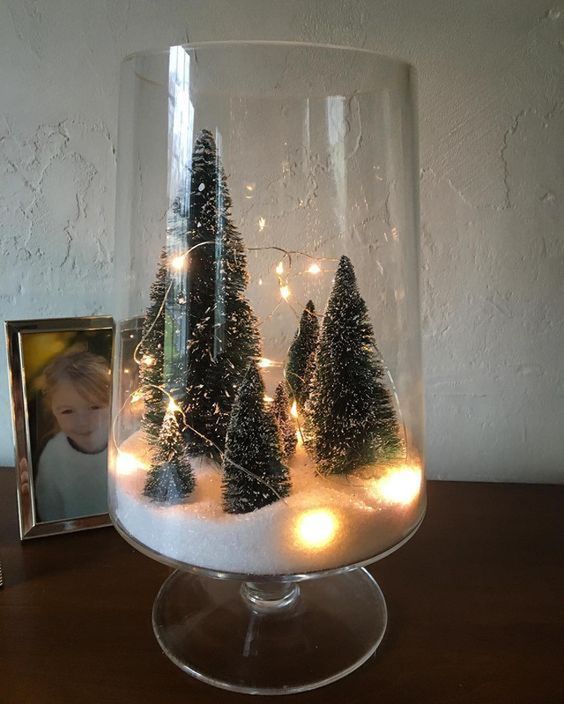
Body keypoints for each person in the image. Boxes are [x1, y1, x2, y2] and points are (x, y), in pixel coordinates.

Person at [35, 351, 110, 522]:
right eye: (67, 411)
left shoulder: (127, 446)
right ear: (53, 411)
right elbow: (49, 510)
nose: (83, 422)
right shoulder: (52, 455)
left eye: (95, 407)